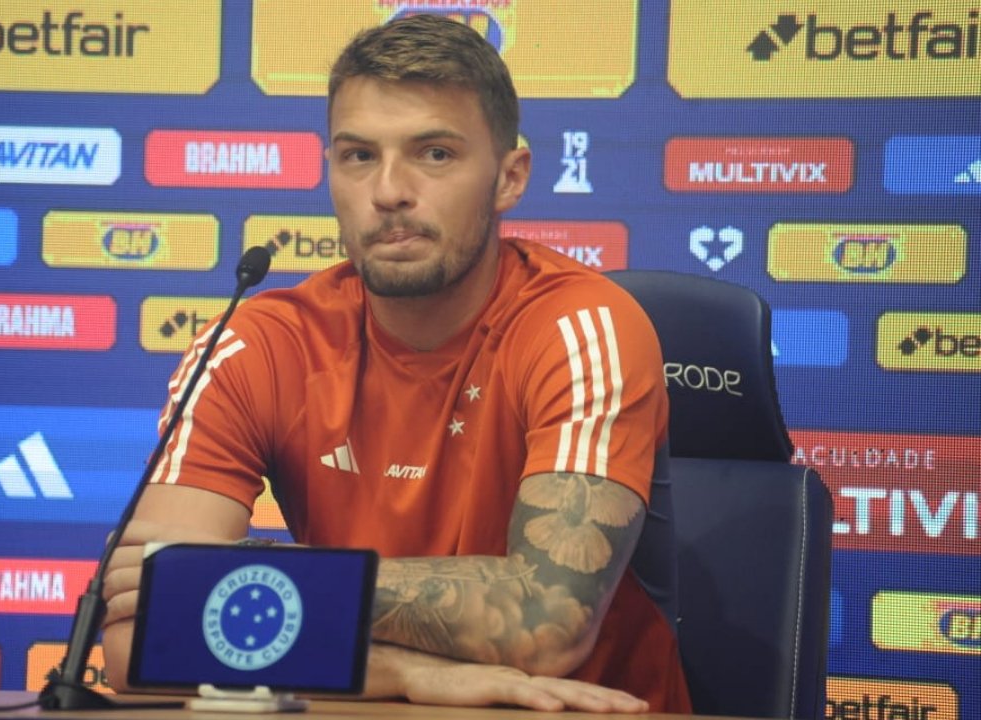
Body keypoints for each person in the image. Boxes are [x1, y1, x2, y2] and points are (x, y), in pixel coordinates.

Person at [101, 13, 690, 713]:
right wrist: (411, 675)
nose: (389, 191)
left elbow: (546, 623)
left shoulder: (579, 327)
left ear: (509, 177)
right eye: (358, 156)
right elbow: (136, 646)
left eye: (434, 154)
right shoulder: (256, 344)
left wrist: (262, 575)